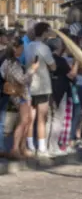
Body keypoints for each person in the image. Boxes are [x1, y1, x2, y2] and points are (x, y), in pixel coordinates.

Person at [1, 37, 40, 159]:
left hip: (22, 92)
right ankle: (15, 148)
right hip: (19, 93)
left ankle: (22, 147)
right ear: (14, 48)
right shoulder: (11, 62)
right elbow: (22, 79)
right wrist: (32, 70)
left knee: (27, 120)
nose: (22, 51)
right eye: (21, 48)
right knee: (23, 121)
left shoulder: (13, 61)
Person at [24, 22, 57, 156]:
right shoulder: (44, 47)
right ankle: (42, 147)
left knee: (30, 118)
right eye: (48, 31)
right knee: (42, 118)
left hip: (29, 85)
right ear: (44, 33)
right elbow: (53, 66)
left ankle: (30, 145)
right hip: (42, 85)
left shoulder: (28, 46)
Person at [47, 37, 78, 156]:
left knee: (48, 119)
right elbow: (72, 76)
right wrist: (76, 62)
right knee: (58, 119)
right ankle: (53, 146)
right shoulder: (61, 60)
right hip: (59, 92)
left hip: (47, 91)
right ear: (58, 47)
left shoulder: (46, 59)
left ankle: (45, 146)